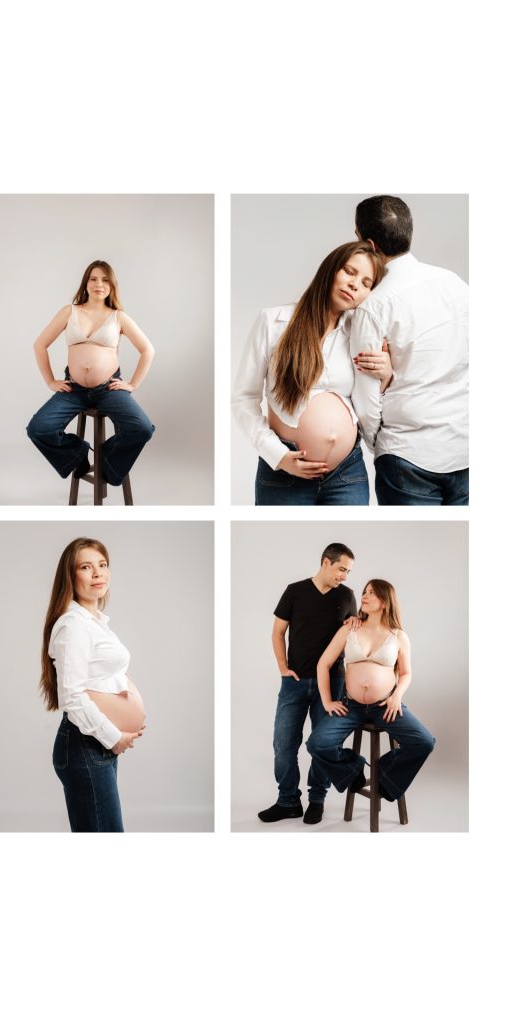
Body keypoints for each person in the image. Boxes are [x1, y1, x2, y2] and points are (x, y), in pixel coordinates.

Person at [232, 240, 393, 505]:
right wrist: (278, 456)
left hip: (347, 473)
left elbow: (372, 399)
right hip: (284, 473)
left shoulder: (362, 334)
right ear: (329, 270)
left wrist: (386, 374)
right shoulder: (273, 322)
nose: (355, 284)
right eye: (350, 272)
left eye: (367, 283)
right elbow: (243, 399)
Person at [349, 195, 469, 505]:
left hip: (407, 454)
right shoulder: (454, 283)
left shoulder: (373, 306)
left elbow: (365, 394)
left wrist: (379, 444)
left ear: (369, 244)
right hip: (465, 444)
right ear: (408, 230)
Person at [40, 537, 146, 833]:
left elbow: (101, 677)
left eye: (102, 565)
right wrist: (114, 736)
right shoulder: (74, 626)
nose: (98, 573)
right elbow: (72, 697)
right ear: (71, 577)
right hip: (87, 744)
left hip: (96, 746)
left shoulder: (94, 622)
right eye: (86, 567)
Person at [27, 260, 155, 489]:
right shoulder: (70, 311)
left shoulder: (118, 317)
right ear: (85, 283)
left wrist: (133, 384)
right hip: (73, 389)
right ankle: (79, 454)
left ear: (112, 286)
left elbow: (148, 350)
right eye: (93, 278)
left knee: (142, 428)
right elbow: (40, 344)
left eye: (105, 280)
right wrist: (50, 381)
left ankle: (106, 459)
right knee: (39, 429)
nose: (99, 284)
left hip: (108, 389)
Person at [306, 579, 435, 806]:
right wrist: (327, 701)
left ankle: (384, 776)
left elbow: (406, 673)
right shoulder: (350, 628)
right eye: (364, 592)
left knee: (424, 742)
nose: (364, 596)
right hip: (351, 706)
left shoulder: (398, 636)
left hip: (385, 706)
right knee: (317, 743)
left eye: (371, 593)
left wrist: (397, 697)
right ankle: (354, 768)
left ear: (384, 601)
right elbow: (323, 664)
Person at [258, 543, 357, 825]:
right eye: (341, 569)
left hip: (333, 682)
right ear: (326, 562)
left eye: (348, 572)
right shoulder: (295, 591)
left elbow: (353, 636)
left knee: (323, 743)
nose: (344, 576)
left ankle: (317, 800)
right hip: (295, 682)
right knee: (283, 742)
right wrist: (282, 668)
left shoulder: (348, 596)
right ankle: (288, 801)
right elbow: (278, 632)